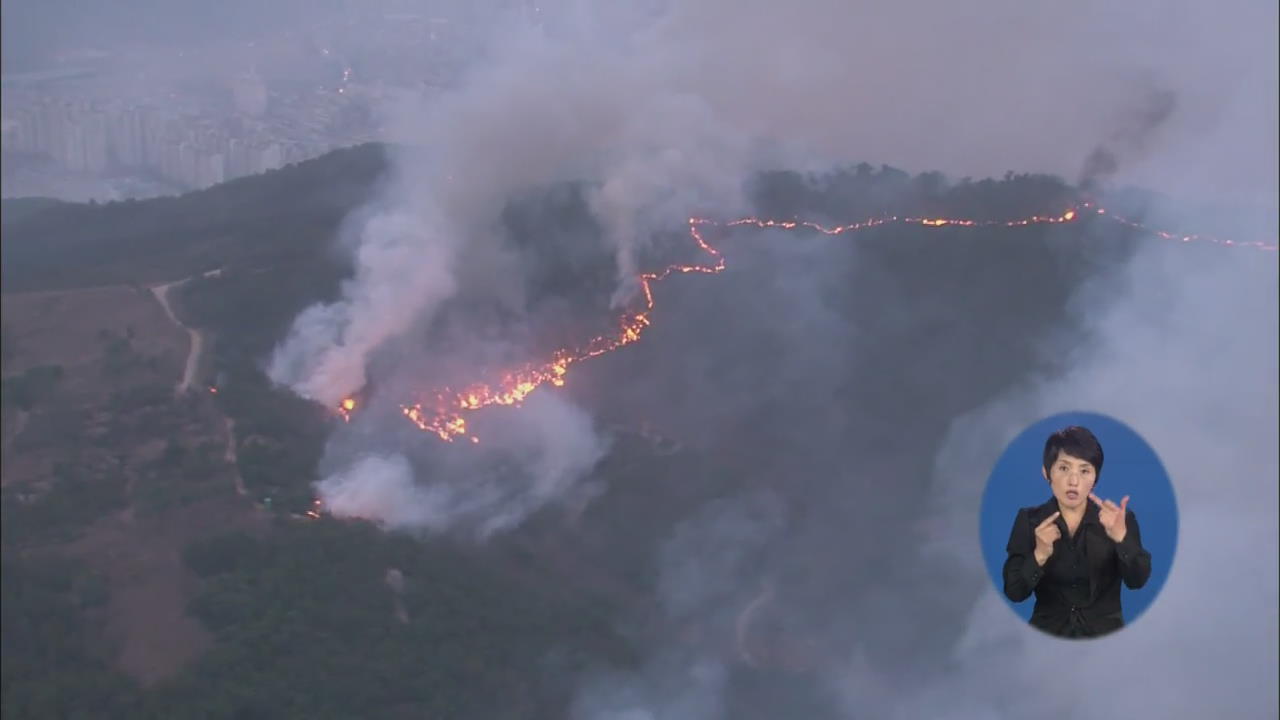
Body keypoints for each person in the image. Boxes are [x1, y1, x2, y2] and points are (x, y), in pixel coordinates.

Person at [1002, 425, 1152, 638]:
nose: (1074, 481)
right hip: (1046, 638)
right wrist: (1039, 555)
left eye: (1084, 470)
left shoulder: (1120, 520)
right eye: (1064, 468)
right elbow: (1014, 592)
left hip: (1105, 640)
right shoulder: (1029, 520)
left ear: (1095, 478)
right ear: (1047, 473)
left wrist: (1121, 539)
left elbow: (1137, 581)